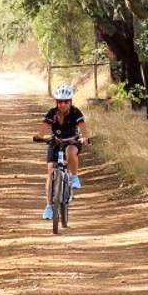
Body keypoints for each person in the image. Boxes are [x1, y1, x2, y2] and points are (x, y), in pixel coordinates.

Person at [38, 84, 88, 219]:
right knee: (50, 172)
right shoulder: (52, 113)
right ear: (56, 102)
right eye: (60, 102)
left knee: (70, 151)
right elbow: (44, 127)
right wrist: (39, 136)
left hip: (72, 141)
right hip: (56, 141)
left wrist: (85, 137)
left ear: (70, 102)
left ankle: (74, 177)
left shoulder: (76, 112)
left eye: (66, 102)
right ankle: (49, 206)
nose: (63, 105)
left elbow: (83, 127)